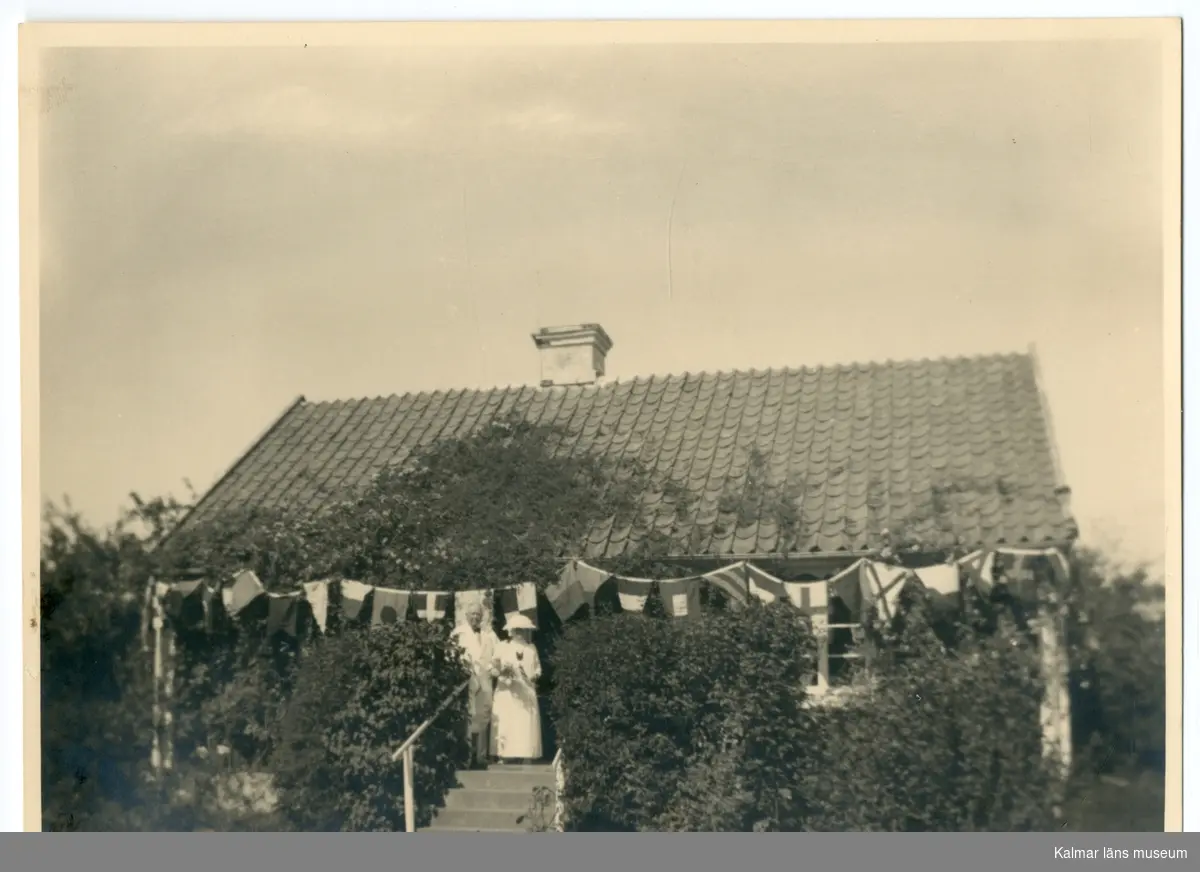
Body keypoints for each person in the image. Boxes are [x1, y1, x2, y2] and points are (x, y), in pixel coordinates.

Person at [489, 613, 543, 764]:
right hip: (507, 693)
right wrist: (501, 675)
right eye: (516, 629)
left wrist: (535, 676)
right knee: (507, 722)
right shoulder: (502, 647)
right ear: (511, 631)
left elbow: (538, 668)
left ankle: (526, 754)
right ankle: (504, 755)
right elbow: (494, 666)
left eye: (522, 629)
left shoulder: (531, 648)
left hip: (526, 692)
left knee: (524, 723)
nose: (519, 633)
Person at [450, 601, 498, 769]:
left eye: (478, 614)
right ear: (466, 616)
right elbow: (450, 655)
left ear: (482, 616)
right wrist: (461, 671)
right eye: (472, 614)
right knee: (468, 717)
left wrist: (492, 667)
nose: (475, 617)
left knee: (484, 717)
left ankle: (481, 757)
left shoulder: (489, 634)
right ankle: (466, 758)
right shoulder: (458, 633)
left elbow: (497, 655)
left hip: (485, 679)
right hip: (467, 679)